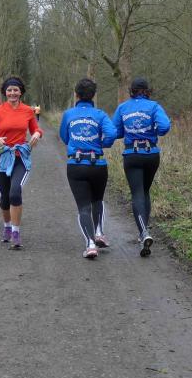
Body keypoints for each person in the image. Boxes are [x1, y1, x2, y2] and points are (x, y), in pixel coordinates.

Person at [0, 76, 42, 249]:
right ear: (5, 92)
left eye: (16, 90)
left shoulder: (28, 111)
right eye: (9, 90)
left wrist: (38, 133)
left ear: (21, 92)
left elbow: (35, 128)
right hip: (2, 157)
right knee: (5, 197)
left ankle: (16, 232)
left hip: (20, 157)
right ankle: (7, 227)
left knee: (15, 193)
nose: (12, 93)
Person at [112, 77, 171, 257]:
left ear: (131, 91)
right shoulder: (154, 106)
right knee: (145, 191)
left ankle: (143, 232)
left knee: (137, 193)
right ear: (147, 91)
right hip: (151, 154)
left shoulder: (123, 107)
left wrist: (127, 131)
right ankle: (144, 231)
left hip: (132, 155)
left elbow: (116, 132)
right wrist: (153, 130)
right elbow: (165, 127)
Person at [59, 78, 117, 259]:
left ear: (76, 95)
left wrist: (75, 143)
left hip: (76, 165)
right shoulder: (100, 114)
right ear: (93, 95)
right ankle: (99, 232)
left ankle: (91, 245)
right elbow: (112, 133)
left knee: (83, 207)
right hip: (98, 165)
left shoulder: (68, 114)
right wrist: (102, 144)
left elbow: (64, 136)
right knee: (97, 200)